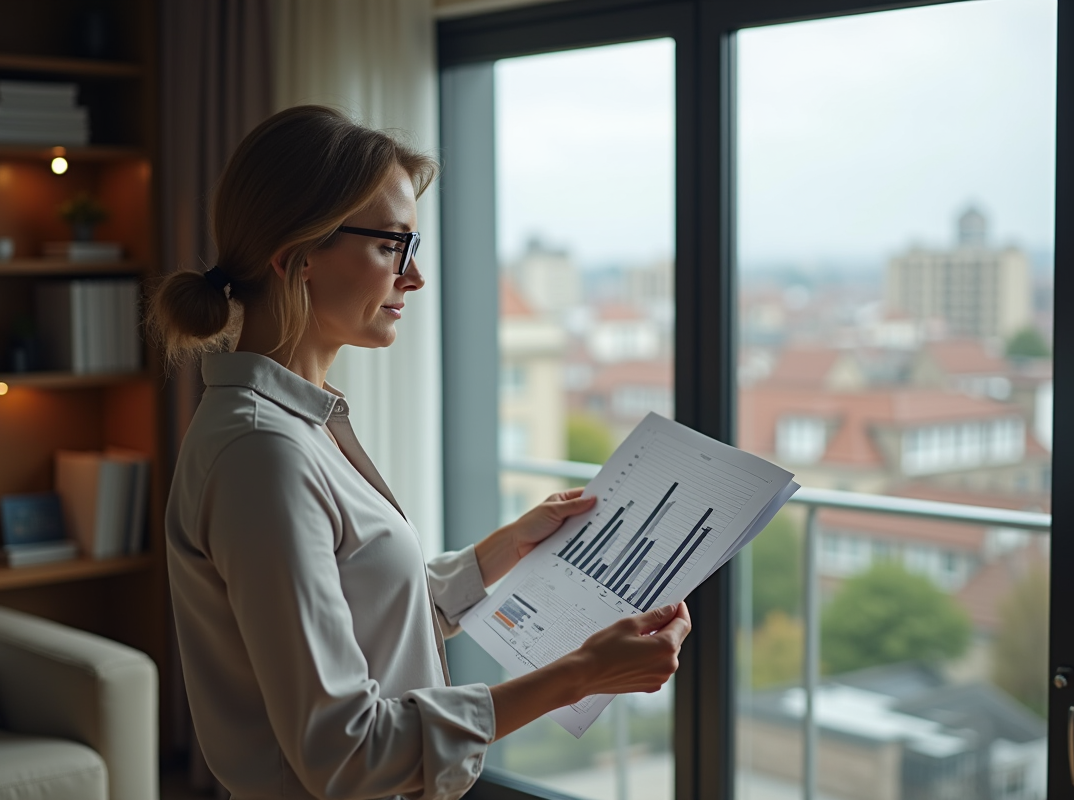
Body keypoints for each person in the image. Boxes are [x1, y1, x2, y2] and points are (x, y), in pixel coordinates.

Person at [149, 105, 691, 800]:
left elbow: (362, 620)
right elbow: (345, 754)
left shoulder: (293, 428)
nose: (415, 277)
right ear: (299, 257)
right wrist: (577, 675)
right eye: (391, 246)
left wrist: (505, 549)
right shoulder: (264, 455)